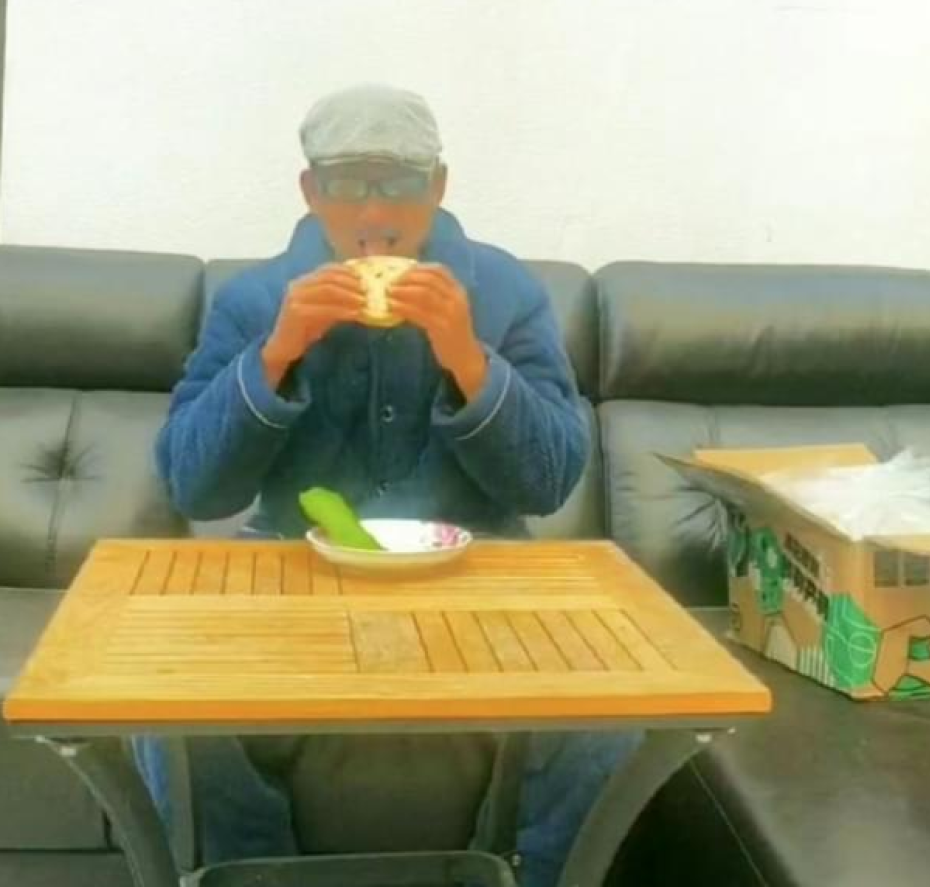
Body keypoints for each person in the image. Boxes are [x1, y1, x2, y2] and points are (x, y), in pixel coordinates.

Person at [134, 84, 638, 887]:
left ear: (438, 186)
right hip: (292, 575)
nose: (375, 212)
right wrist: (276, 351)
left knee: (619, 693)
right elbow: (194, 488)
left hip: (480, 576)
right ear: (310, 191)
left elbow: (549, 483)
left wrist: (467, 356)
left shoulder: (505, 291)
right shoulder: (255, 299)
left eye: (399, 182)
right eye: (347, 182)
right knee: (156, 696)